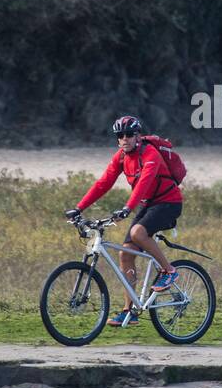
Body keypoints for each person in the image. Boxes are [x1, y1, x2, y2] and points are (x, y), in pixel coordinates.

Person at [65, 115, 182, 327]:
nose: (125, 138)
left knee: (138, 233)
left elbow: (144, 184)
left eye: (129, 134)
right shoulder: (120, 157)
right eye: (120, 135)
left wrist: (128, 208)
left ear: (138, 136)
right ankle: (129, 312)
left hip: (168, 203)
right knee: (125, 254)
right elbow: (103, 183)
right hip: (148, 205)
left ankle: (169, 271)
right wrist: (79, 208)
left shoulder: (150, 154)